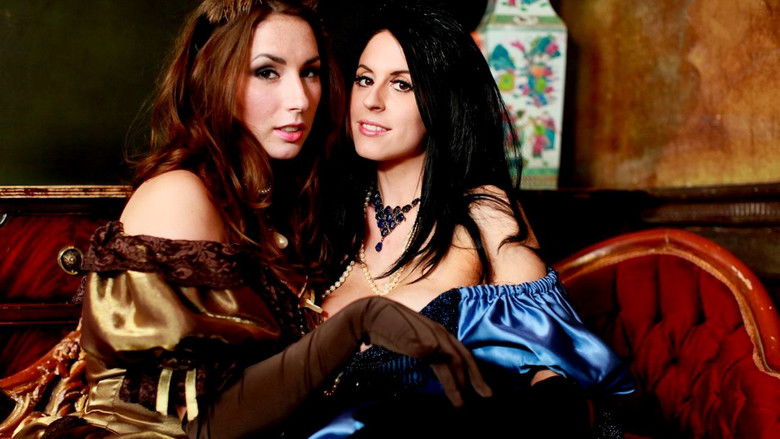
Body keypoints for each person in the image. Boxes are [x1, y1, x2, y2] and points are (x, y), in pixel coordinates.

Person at [11, 1, 490, 438]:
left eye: (310, 72)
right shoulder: (179, 198)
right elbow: (203, 428)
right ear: (211, 77)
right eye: (266, 72)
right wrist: (357, 324)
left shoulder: (272, 205)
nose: (300, 99)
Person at [313, 2, 635, 437]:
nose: (372, 101)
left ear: (444, 99)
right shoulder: (322, 216)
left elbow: (554, 372)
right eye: (364, 79)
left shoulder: (483, 213)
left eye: (402, 85)